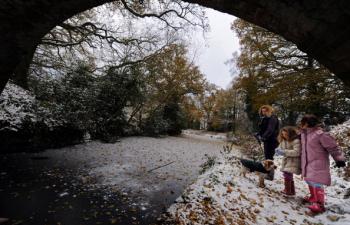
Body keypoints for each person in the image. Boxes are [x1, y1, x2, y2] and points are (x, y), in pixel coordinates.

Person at [300, 114, 346, 214]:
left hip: (318, 162)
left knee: (316, 182)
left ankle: (320, 204)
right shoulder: (304, 134)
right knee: (309, 180)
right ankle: (313, 198)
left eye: (302, 123)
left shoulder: (320, 134)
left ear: (307, 123)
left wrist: (339, 159)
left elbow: (333, 147)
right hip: (307, 161)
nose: (301, 125)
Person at [275, 126, 301, 196]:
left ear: (291, 134)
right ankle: (291, 191)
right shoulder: (284, 141)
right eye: (283, 134)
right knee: (287, 174)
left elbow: (297, 152)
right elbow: (280, 147)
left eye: (286, 134)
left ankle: (288, 190)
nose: (284, 136)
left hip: (293, 160)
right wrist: (278, 150)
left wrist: (284, 152)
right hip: (286, 160)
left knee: (287, 174)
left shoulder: (296, 141)